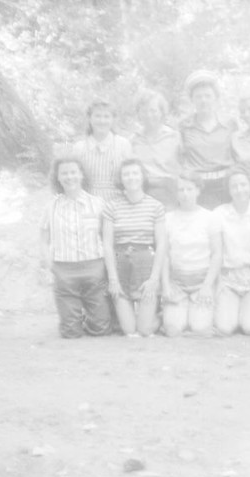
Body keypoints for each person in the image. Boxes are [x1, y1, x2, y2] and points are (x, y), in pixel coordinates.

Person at [40, 156, 112, 338]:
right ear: (57, 177)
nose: (69, 177)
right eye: (64, 173)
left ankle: (89, 318)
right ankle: (71, 318)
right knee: (70, 333)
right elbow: (43, 239)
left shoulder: (98, 204)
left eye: (73, 172)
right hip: (64, 271)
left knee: (101, 330)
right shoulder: (51, 207)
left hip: (94, 269)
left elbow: (107, 239)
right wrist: (48, 265)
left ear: (81, 175)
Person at [103, 158, 165, 336]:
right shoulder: (111, 207)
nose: (131, 177)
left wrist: (154, 279)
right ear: (121, 178)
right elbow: (107, 244)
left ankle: (161, 315)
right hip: (120, 264)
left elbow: (161, 245)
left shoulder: (155, 206)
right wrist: (113, 278)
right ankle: (131, 315)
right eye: (126, 174)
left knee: (145, 330)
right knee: (130, 331)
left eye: (135, 173)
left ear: (143, 176)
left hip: (145, 264)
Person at [161, 171, 222, 336]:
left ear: (198, 190)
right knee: (173, 329)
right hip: (177, 284)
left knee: (200, 328)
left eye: (189, 189)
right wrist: (166, 286)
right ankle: (177, 311)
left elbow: (217, 254)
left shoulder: (210, 217)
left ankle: (196, 314)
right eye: (181, 190)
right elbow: (164, 256)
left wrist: (207, 286)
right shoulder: (168, 219)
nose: (185, 194)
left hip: (201, 284)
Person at [213, 170, 250, 336]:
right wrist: (219, 281)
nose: (239, 189)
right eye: (234, 186)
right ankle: (232, 308)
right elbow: (217, 251)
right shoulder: (219, 213)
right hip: (229, 279)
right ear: (229, 190)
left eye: (243, 184)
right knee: (225, 328)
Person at [180, 70, 236, 209]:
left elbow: (238, 153)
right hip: (198, 187)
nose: (203, 100)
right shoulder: (183, 126)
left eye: (207, 95)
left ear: (215, 97)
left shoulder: (230, 124)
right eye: (198, 97)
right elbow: (178, 158)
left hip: (225, 185)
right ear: (192, 99)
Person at [73, 99, 132, 203]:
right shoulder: (79, 148)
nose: (102, 121)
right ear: (89, 119)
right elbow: (74, 180)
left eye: (106, 117)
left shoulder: (123, 144)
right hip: (87, 203)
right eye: (98, 116)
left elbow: (131, 176)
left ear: (113, 119)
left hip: (118, 202)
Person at [131, 90, 181, 209]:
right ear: (138, 114)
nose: (148, 115)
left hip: (169, 194)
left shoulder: (174, 137)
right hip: (143, 192)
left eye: (153, 110)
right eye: (143, 111)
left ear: (162, 112)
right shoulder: (133, 140)